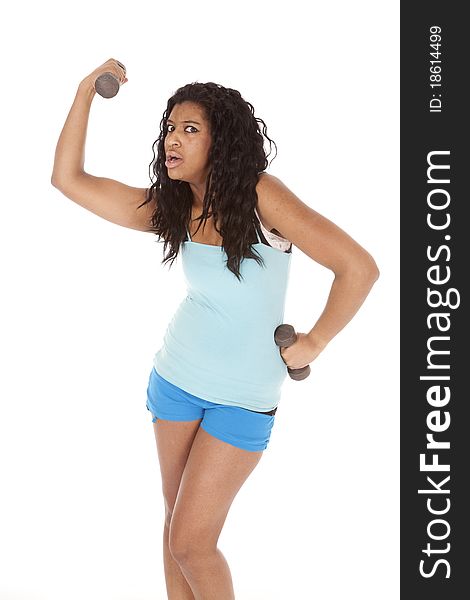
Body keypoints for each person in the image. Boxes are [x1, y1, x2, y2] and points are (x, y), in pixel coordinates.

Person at [51, 58, 379, 599]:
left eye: (189, 129)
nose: (171, 142)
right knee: (174, 526)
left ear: (220, 139)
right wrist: (85, 90)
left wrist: (315, 340)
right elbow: (69, 179)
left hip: (243, 397)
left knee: (192, 544)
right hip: (176, 379)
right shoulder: (175, 207)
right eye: (168, 130)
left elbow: (357, 267)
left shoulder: (260, 196)